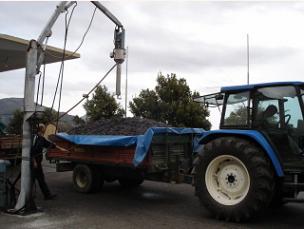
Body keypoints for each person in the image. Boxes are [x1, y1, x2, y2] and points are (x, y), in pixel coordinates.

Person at [31, 123, 56, 200]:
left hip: (38, 163)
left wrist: (54, 144)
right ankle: (27, 196)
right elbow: (31, 150)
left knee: (40, 179)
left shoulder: (41, 138)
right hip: (33, 163)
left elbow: (48, 144)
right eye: (44, 128)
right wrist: (34, 161)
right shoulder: (34, 137)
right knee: (31, 180)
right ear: (41, 129)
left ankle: (47, 195)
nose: (45, 129)